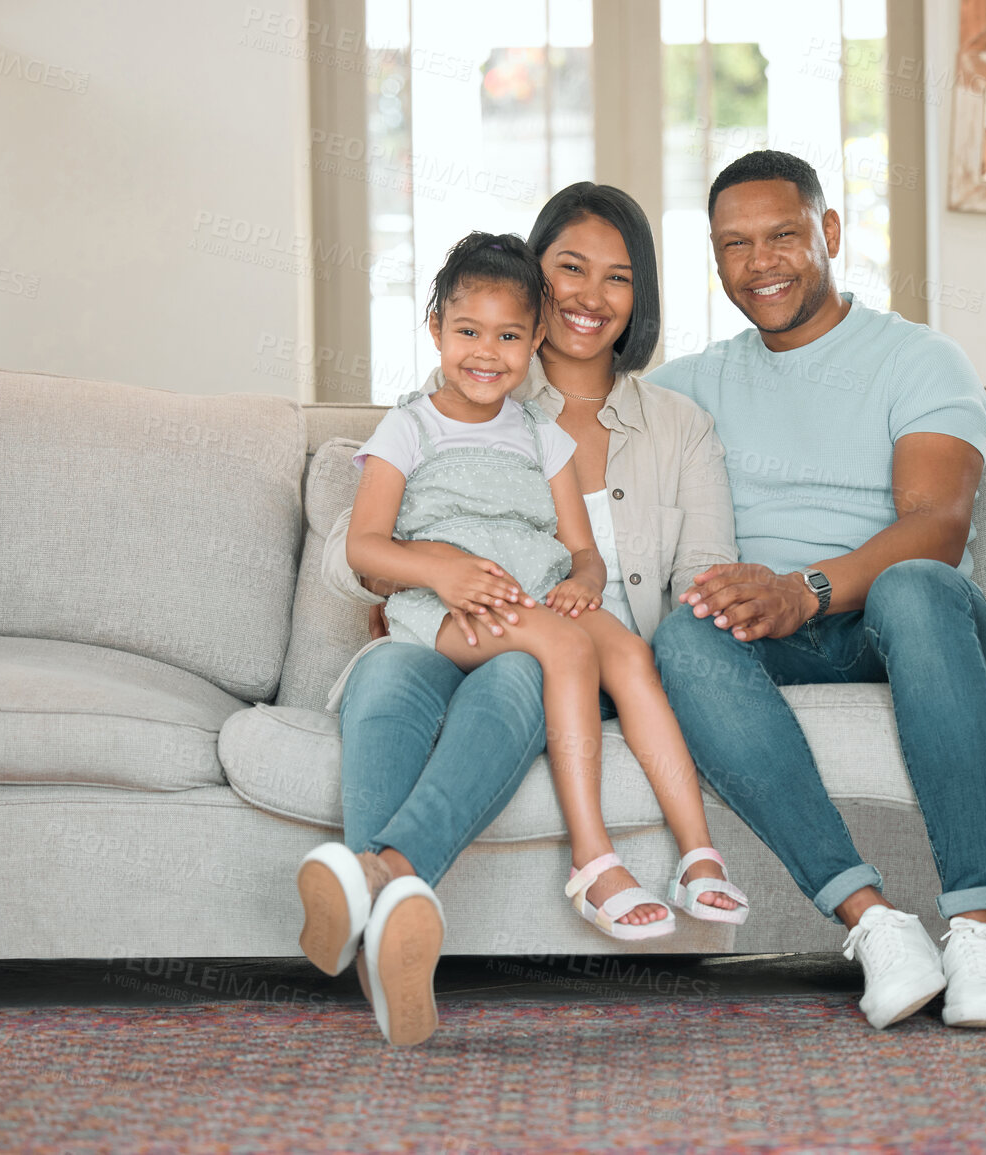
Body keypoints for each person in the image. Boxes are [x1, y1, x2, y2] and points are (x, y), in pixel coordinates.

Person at [305, 186, 743, 1046]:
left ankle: (379, 885)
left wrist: (582, 584)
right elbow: (362, 545)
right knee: (397, 675)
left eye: (616, 277)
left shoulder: (664, 425)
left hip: (541, 619)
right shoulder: (428, 412)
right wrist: (429, 565)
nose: (588, 294)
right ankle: (411, 921)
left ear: (532, 330)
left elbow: (621, 566)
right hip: (451, 617)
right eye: (569, 268)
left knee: (546, 664)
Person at [647, 149, 986, 1031]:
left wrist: (804, 589)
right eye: (734, 245)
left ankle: (976, 929)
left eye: (781, 235)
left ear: (826, 232)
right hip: (778, 635)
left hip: (909, 622)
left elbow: (938, 522)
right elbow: (552, 420)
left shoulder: (919, 357)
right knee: (683, 632)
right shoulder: (692, 384)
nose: (760, 263)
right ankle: (873, 922)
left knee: (910, 582)